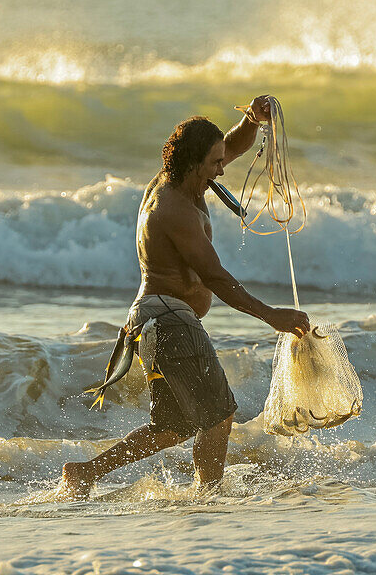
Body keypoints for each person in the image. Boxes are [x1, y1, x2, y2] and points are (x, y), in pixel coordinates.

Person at [58, 96, 310, 499]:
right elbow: (214, 276)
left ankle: (86, 472)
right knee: (218, 416)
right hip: (170, 319)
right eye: (214, 164)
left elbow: (229, 145)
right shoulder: (175, 208)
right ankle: (208, 498)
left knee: (173, 426)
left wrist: (252, 119)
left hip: (153, 319)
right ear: (194, 163)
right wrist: (271, 315)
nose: (221, 169)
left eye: (221, 162)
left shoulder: (181, 180)